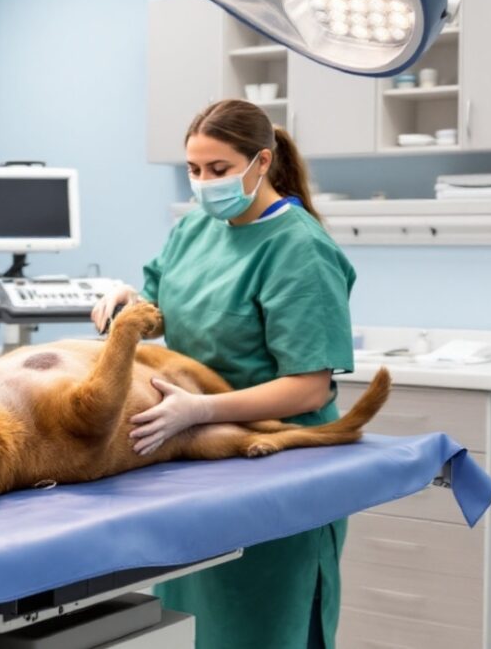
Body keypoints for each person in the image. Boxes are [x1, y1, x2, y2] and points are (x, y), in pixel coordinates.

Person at [92, 99, 355, 649]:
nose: (204, 182)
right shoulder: (195, 229)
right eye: (194, 170)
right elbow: (165, 308)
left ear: (261, 162)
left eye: (218, 170)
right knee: (193, 625)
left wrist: (203, 408)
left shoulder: (299, 248)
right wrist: (129, 303)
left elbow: (308, 385)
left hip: (278, 465)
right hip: (201, 463)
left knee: (262, 626)